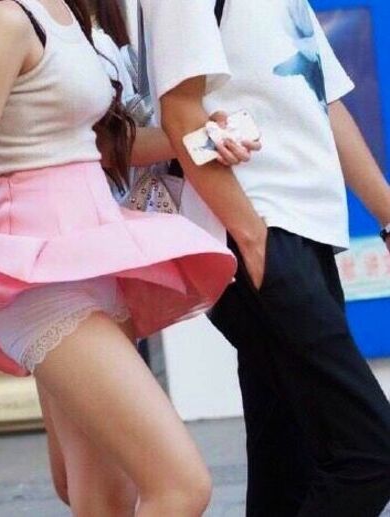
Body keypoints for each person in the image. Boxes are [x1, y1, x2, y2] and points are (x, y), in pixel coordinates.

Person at [0, 0, 244, 515]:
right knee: (181, 486)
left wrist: (202, 138)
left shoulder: (65, 15)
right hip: (40, 279)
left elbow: (94, 147)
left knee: (103, 500)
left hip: (92, 261)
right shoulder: (4, 19)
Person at [139, 0, 390, 515]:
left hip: (301, 232)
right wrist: (252, 237)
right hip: (257, 230)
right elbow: (181, 111)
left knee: (289, 462)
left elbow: (323, 98)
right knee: (368, 452)